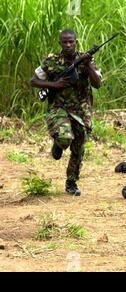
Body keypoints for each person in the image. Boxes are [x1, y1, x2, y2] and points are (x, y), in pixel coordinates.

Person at [30, 29, 102, 196]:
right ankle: (59, 143)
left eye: (71, 42)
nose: (68, 45)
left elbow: (97, 84)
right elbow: (34, 81)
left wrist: (89, 64)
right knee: (65, 138)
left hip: (82, 110)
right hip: (59, 108)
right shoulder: (51, 61)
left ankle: (71, 182)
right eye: (65, 42)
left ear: (76, 42)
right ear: (60, 43)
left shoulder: (87, 59)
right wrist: (54, 85)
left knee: (79, 147)